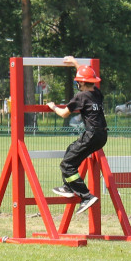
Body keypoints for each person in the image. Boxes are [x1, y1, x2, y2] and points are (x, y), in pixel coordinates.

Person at [47, 56, 106, 215]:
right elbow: (86, 74)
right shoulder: (97, 94)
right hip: (102, 136)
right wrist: (75, 63)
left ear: (80, 83)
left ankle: (86, 196)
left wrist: (52, 107)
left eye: (78, 82)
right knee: (71, 150)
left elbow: (64, 114)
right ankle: (68, 186)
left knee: (67, 165)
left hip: (91, 134)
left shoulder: (81, 97)